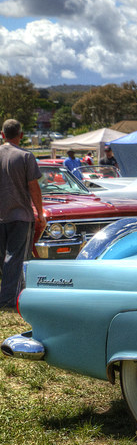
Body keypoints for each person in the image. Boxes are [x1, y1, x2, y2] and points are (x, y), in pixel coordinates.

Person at [0, 119, 45, 309]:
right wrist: (40, 214)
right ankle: (8, 298)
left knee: (3, 257)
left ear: (2, 135)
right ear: (21, 135)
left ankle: (9, 293)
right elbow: (34, 188)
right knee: (15, 257)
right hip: (20, 215)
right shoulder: (26, 156)